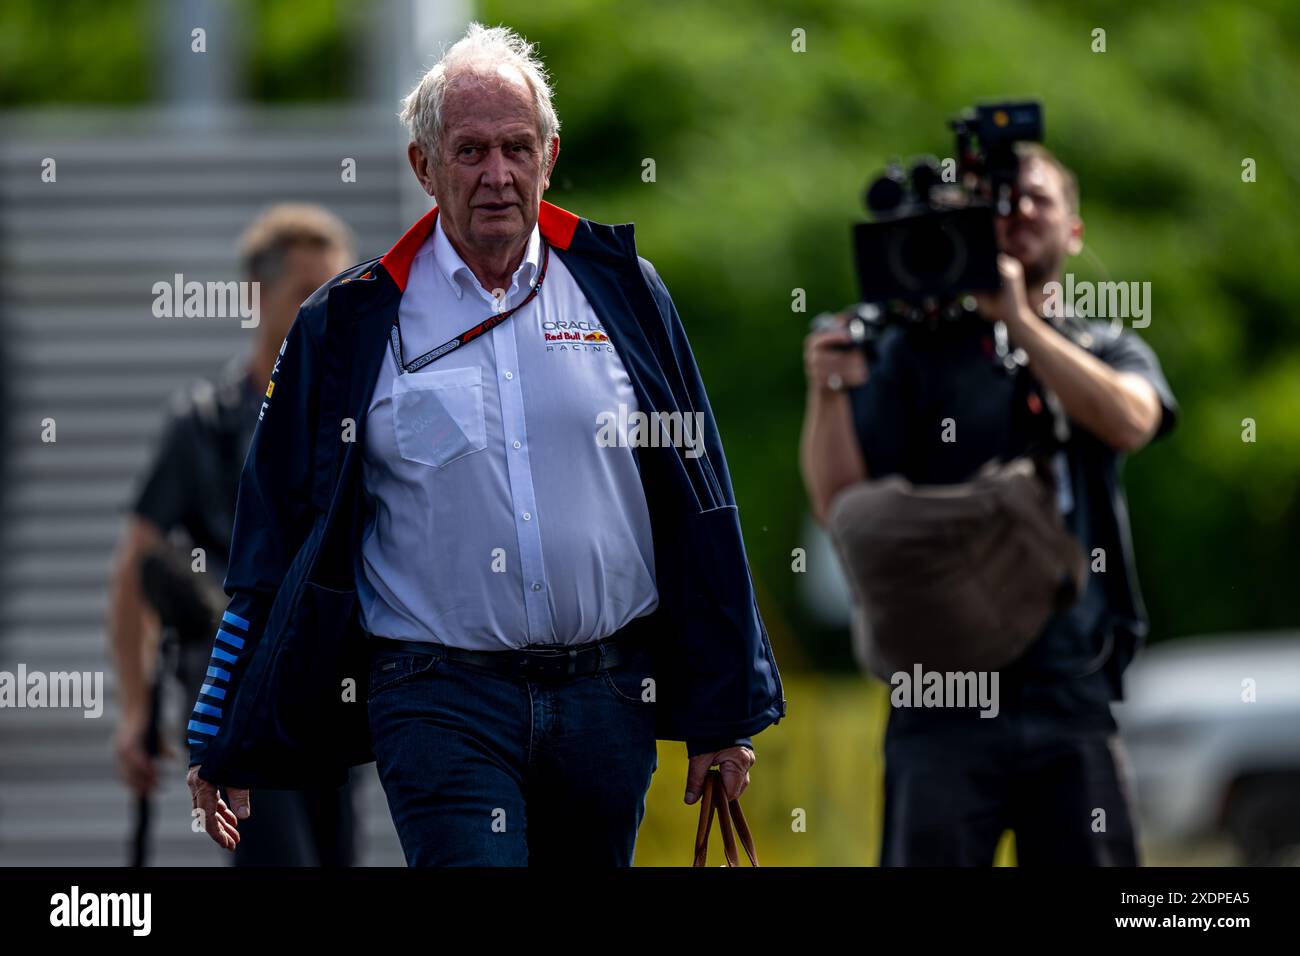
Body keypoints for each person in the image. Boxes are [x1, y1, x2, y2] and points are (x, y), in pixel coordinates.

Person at [185, 23, 785, 866]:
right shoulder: (350, 321)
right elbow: (272, 531)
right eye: (469, 151)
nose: (497, 175)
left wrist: (726, 713)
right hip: (436, 699)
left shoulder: (626, 293)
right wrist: (223, 726)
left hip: (608, 696)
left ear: (550, 155)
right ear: (422, 167)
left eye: (515, 148)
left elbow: (700, 499)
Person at [801, 142, 1178, 865]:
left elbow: (1131, 421)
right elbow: (839, 507)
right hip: (937, 699)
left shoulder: (1102, 344)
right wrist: (829, 390)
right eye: (998, 199)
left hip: (1072, 691)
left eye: (1037, 196)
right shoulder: (909, 352)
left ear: (1074, 229)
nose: (1018, 210)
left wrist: (1020, 322)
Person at [109, 203, 359, 865]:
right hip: (236, 687)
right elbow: (134, 564)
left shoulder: (350, 418)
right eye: (308, 293)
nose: (324, 309)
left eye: (334, 291)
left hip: (325, 687)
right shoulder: (204, 423)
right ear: (257, 295)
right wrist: (136, 711)